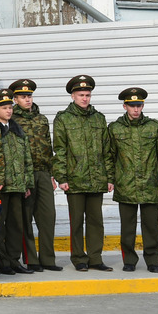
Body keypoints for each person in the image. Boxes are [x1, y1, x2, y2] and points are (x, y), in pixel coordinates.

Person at [53, 74, 114, 272]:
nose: (85, 98)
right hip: (75, 179)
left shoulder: (99, 118)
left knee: (96, 222)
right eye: (81, 95)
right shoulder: (63, 118)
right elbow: (60, 150)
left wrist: (109, 177)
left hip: (97, 179)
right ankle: (79, 258)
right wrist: (62, 178)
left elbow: (107, 150)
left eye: (87, 94)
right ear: (73, 96)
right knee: (77, 222)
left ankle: (95, 258)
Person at [108, 87, 158, 273]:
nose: (136, 109)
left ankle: (152, 261)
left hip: (150, 184)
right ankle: (129, 260)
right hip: (125, 185)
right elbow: (110, 156)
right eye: (132, 106)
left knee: (151, 226)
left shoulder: (154, 126)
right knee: (127, 227)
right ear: (125, 106)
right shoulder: (115, 128)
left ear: (143, 106)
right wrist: (116, 177)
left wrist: (152, 174)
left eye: (139, 105)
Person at [9, 78, 59, 271]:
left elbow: (49, 147)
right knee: (26, 218)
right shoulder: (12, 120)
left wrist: (52, 174)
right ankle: (31, 259)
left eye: (29, 96)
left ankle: (48, 259)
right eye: (23, 96)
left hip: (43, 173)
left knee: (48, 217)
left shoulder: (41, 119)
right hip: (24, 175)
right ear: (15, 99)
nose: (27, 100)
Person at [0, 89, 34, 275]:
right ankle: (3, 262)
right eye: (4, 108)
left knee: (17, 225)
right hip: (1, 186)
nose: (8, 111)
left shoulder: (17, 130)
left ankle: (15, 260)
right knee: (0, 225)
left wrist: (28, 183)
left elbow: (26, 158)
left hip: (17, 185)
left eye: (10, 107)